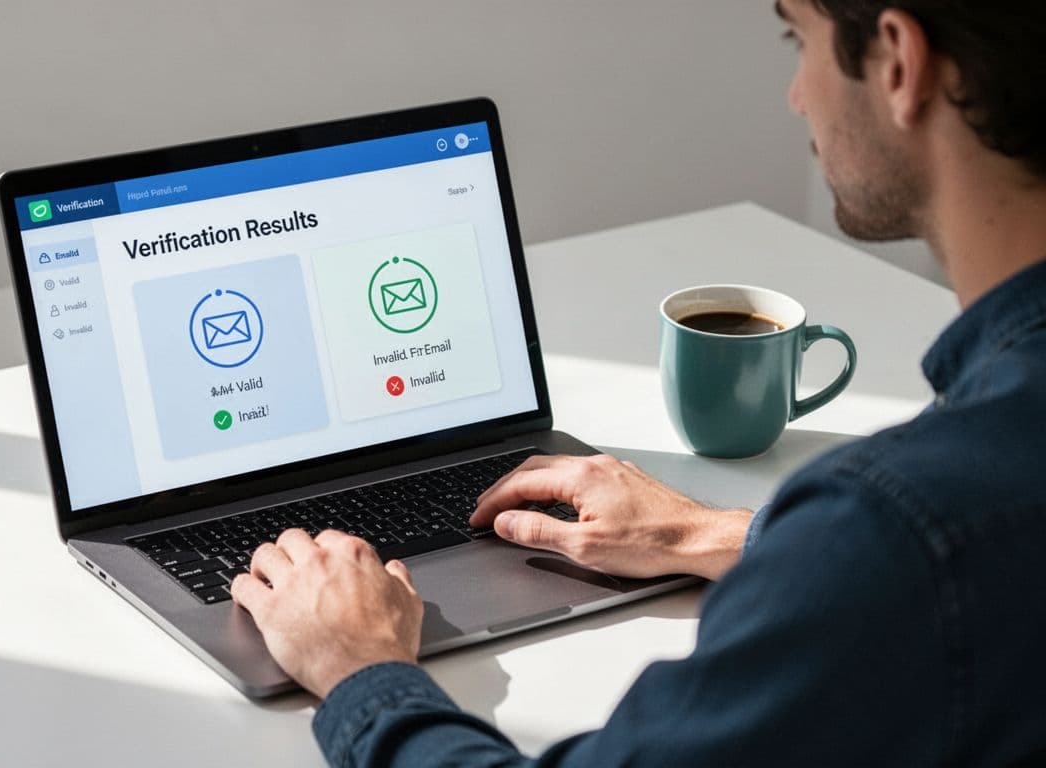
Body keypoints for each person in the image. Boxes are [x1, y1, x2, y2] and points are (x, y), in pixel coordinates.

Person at [231, 0, 1046, 763]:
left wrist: (360, 672)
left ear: (901, 63)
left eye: (799, 39)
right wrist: (714, 534)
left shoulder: (902, 528)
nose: (799, 96)